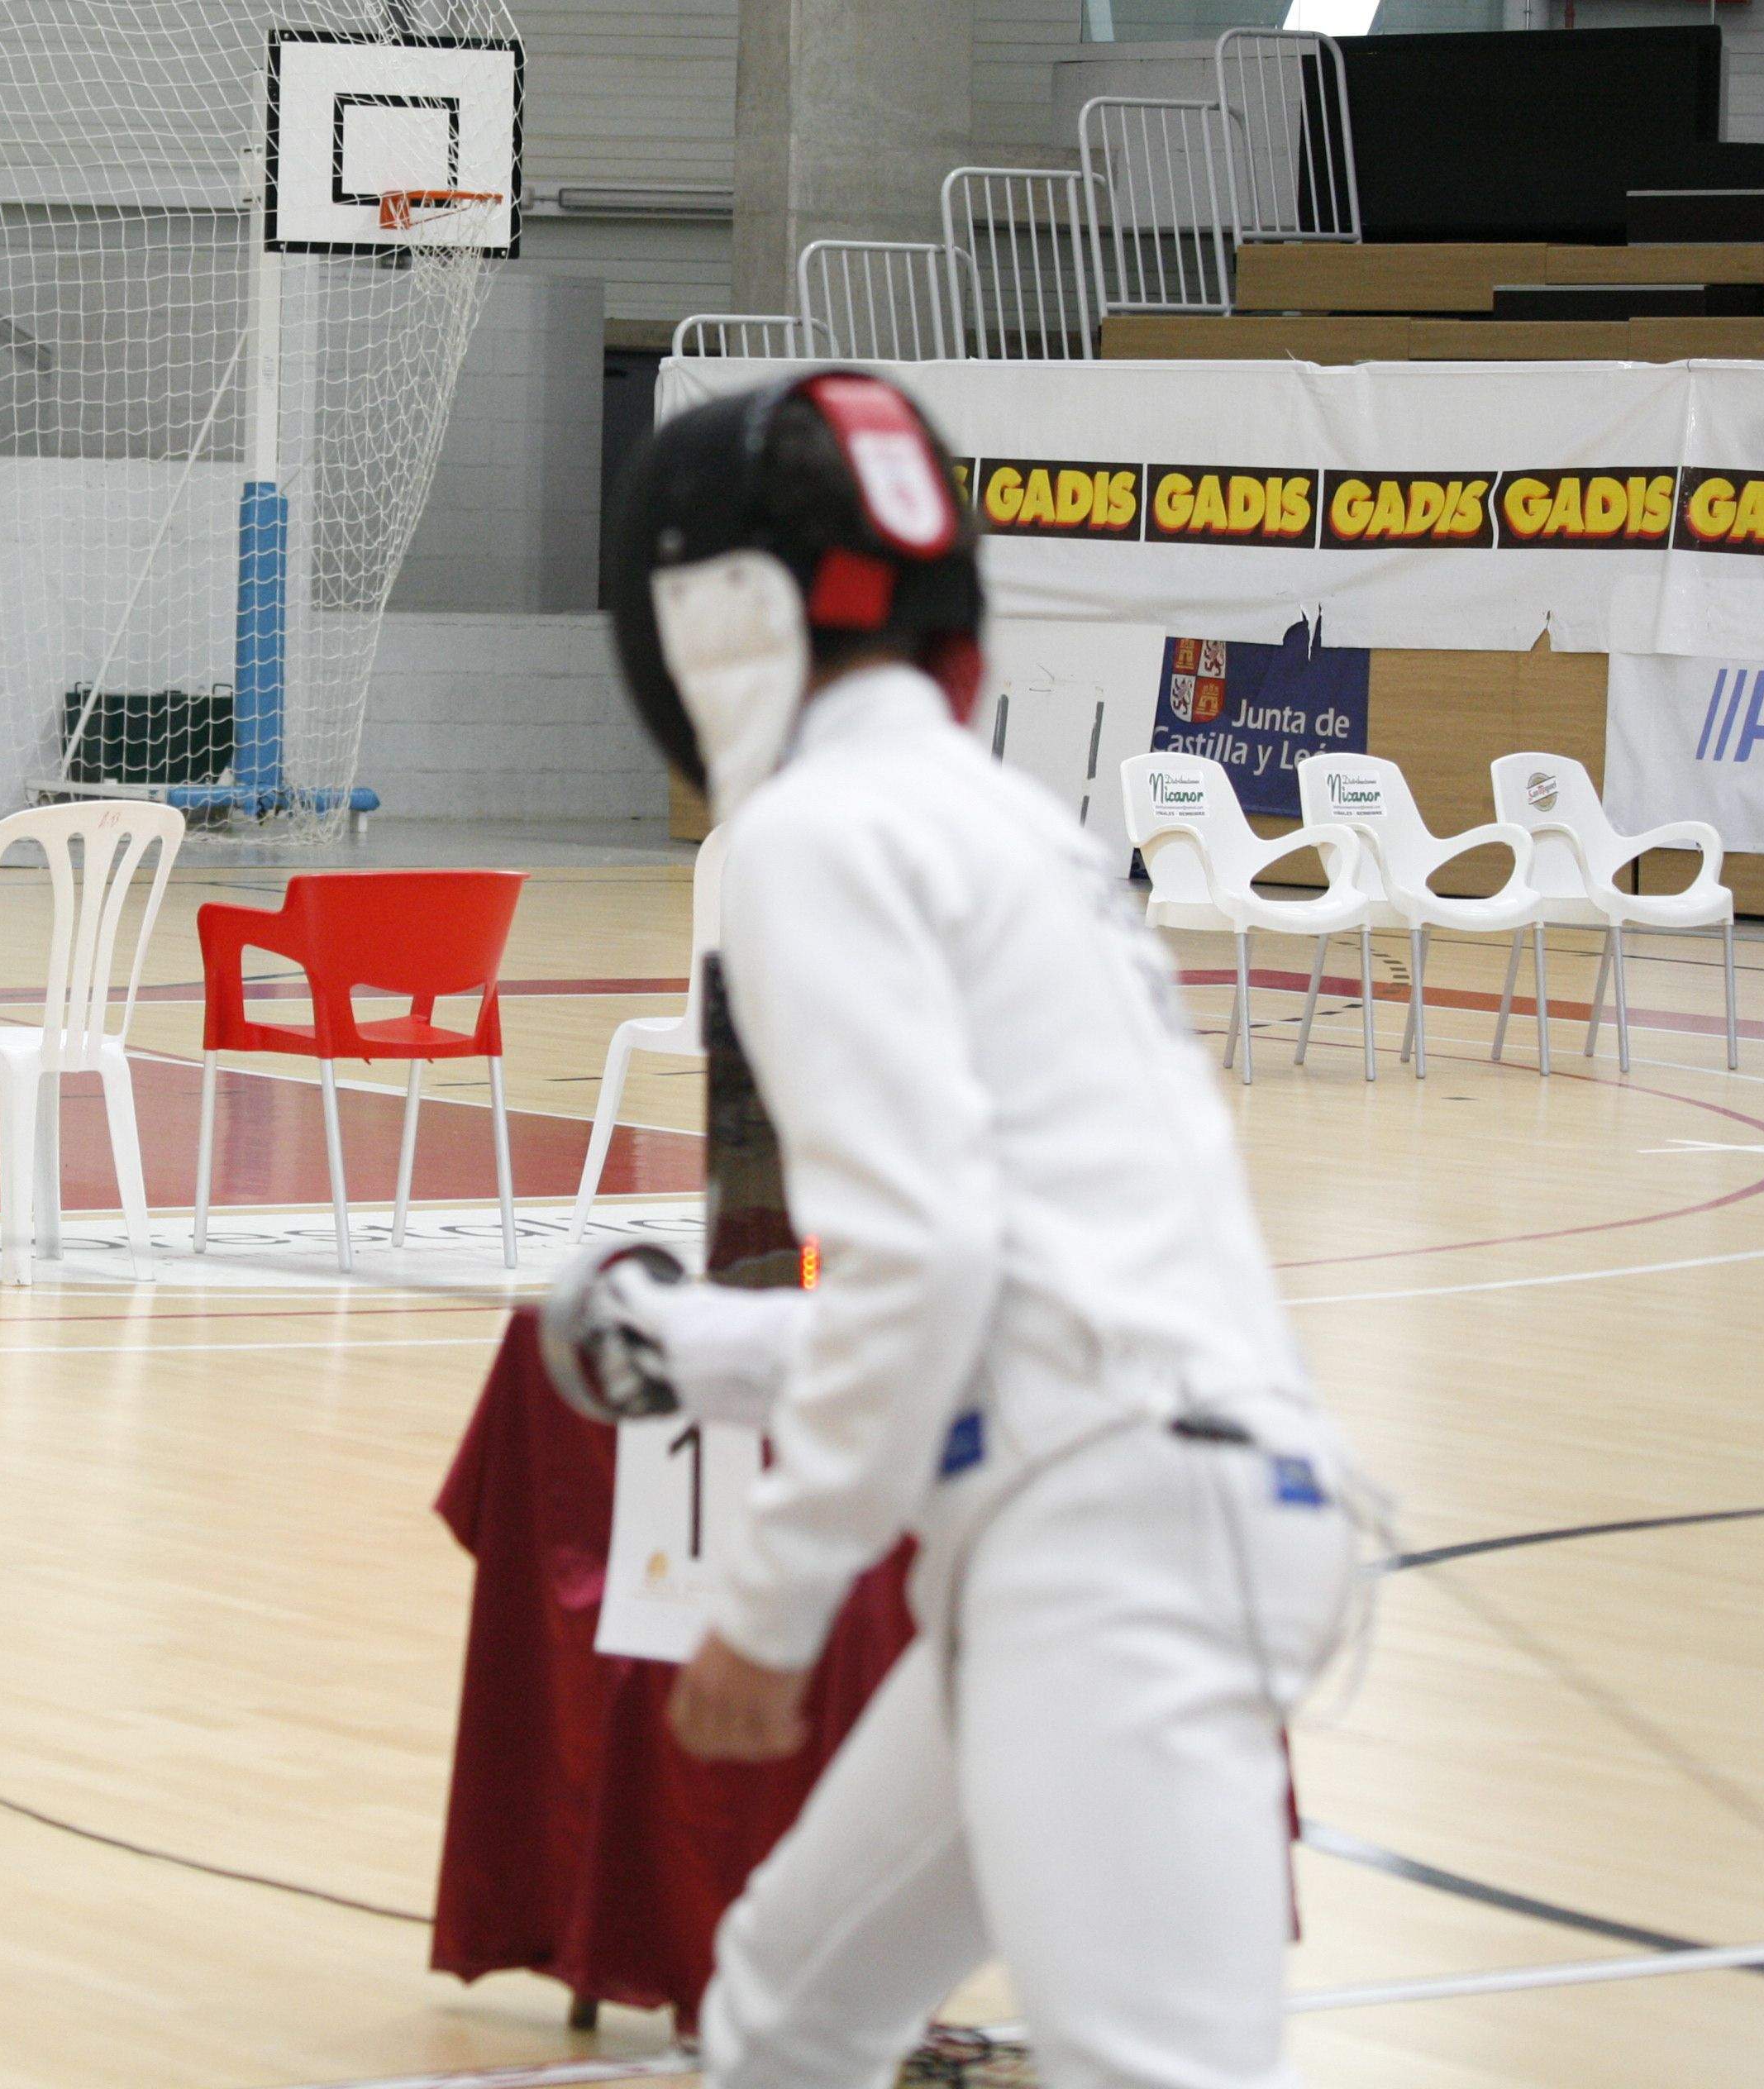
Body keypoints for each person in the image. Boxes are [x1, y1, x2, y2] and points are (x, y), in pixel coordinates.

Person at [546, 370, 1361, 2089]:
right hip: (1118, 1515)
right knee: (787, 1998)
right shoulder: (1010, 827)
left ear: (706, 623)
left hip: (1119, 1544)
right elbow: (992, 1281)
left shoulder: (816, 834)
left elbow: (921, 1267)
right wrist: (682, 1344)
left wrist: (766, 1614)